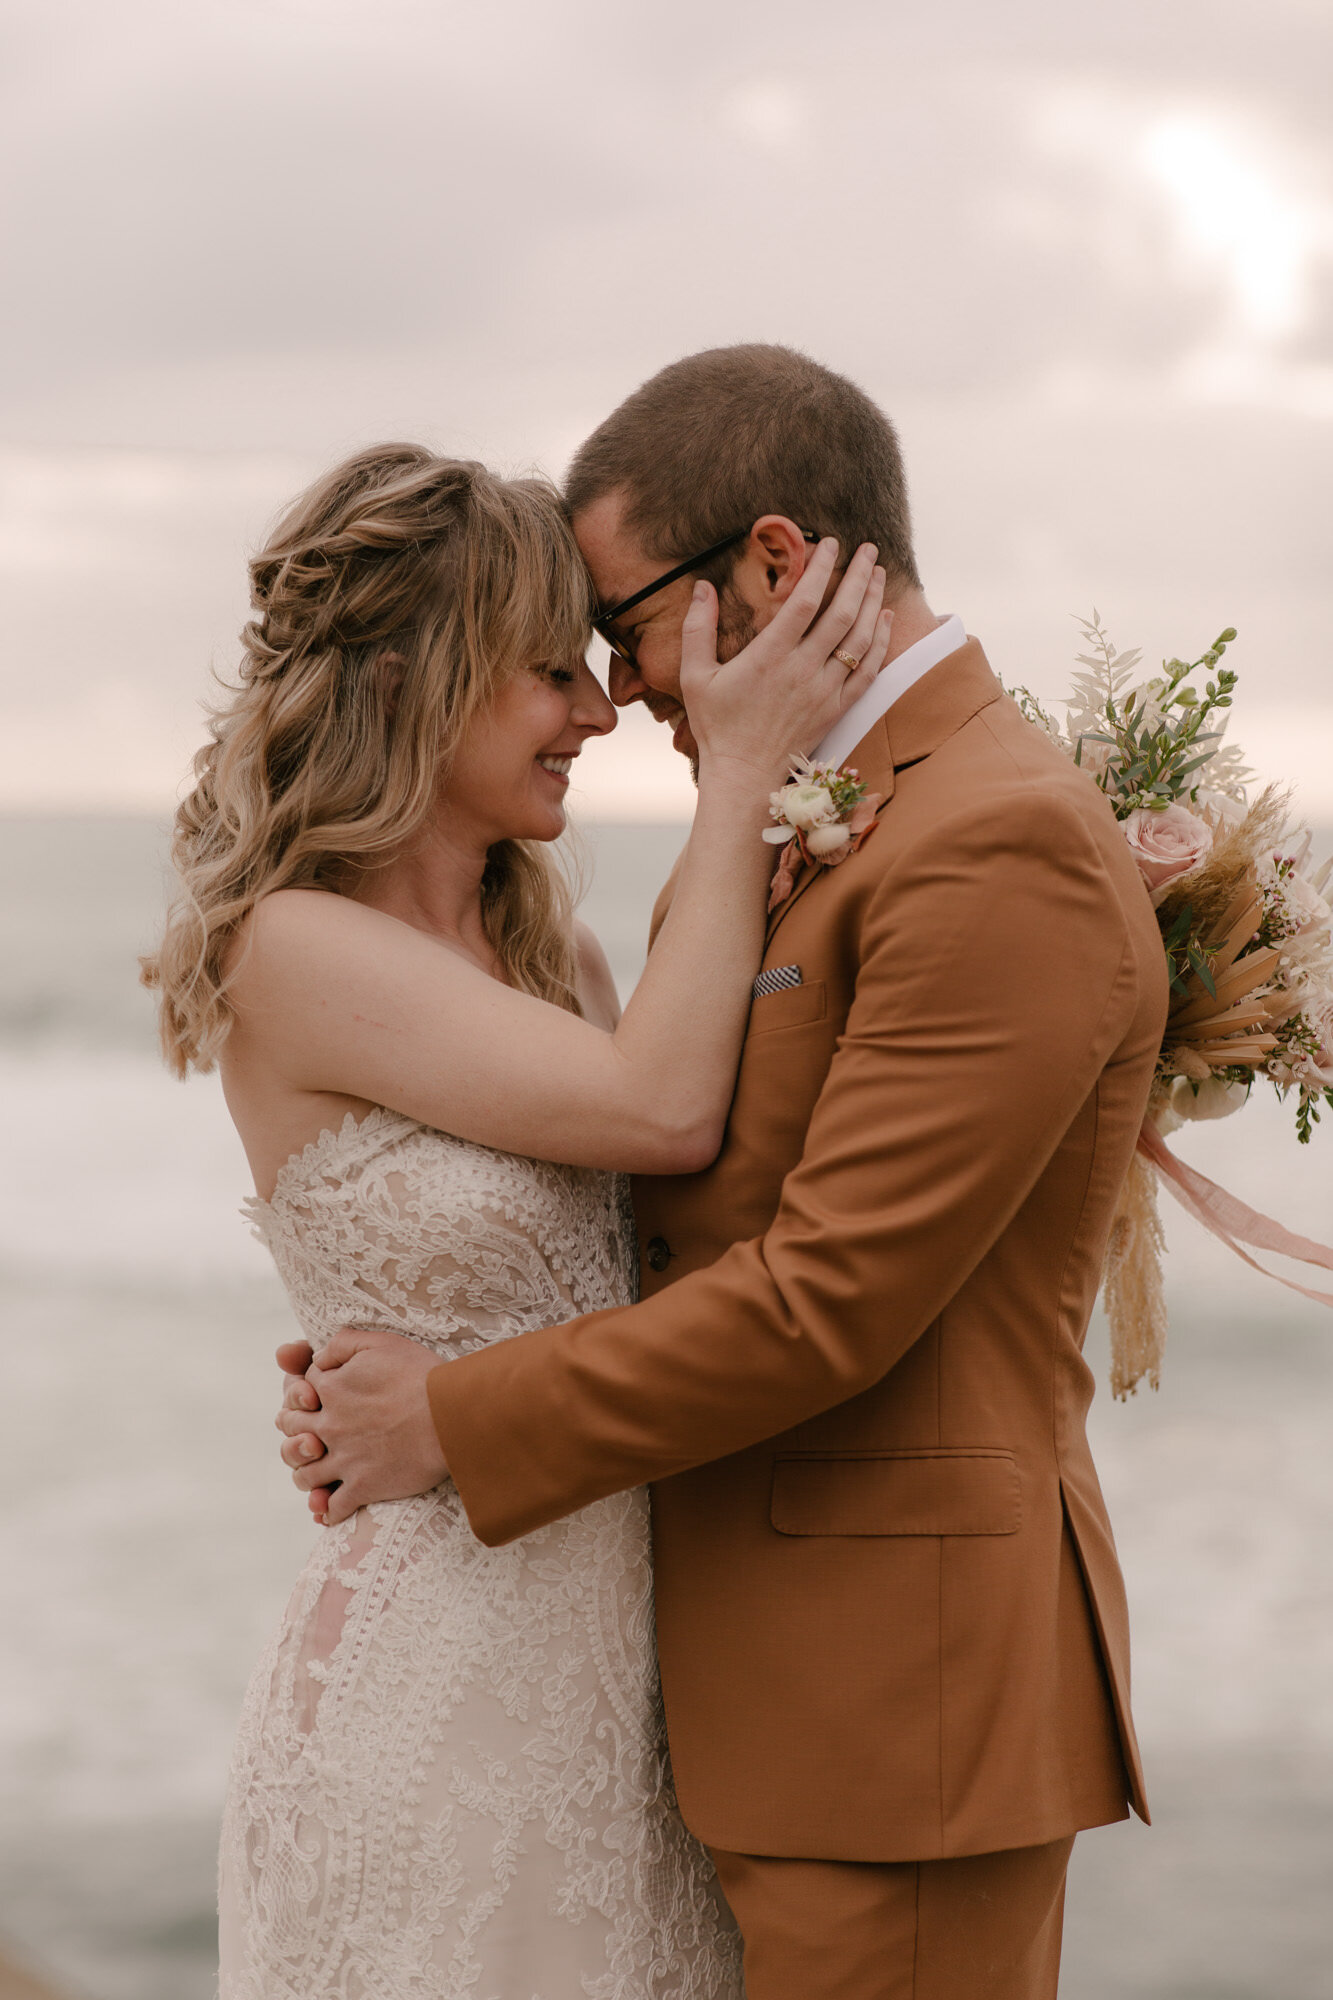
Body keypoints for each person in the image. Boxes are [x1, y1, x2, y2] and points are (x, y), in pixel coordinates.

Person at [275, 346, 1171, 2000]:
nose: (623, 694)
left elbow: (829, 1299)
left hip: (892, 1722)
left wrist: (451, 1419)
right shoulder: (788, 823)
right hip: (736, 1700)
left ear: (770, 562)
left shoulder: (996, 836)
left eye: (625, 628)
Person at [143, 438, 892, 1998]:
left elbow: (695, 1239)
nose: (601, 712)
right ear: (423, 676)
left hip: (624, 1700)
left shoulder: (568, 978)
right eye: (551, 672)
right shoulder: (293, 948)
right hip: (429, 1702)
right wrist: (747, 771)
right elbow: (664, 1116)